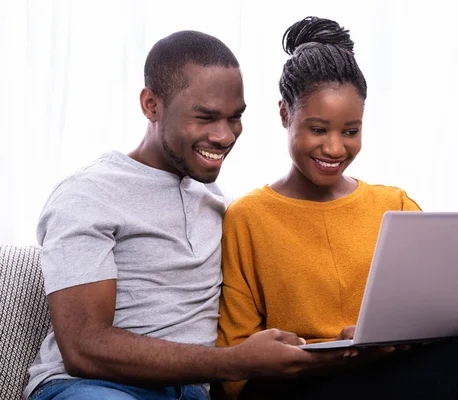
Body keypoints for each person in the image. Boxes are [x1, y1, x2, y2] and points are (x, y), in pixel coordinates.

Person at [216, 16, 458, 399]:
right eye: (318, 129)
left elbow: (440, 314)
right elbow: (235, 374)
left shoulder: (394, 205)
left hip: (386, 377)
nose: (335, 148)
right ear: (285, 114)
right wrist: (329, 356)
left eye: (350, 131)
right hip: (298, 387)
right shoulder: (246, 217)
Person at [26, 30, 353, 400]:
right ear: (151, 105)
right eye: (206, 117)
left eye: (235, 118)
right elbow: (84, 347)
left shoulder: (221, 205)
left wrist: (340, 344)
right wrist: (233, 361)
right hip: (93, 388)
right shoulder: (88, 194)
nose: (225, 136)